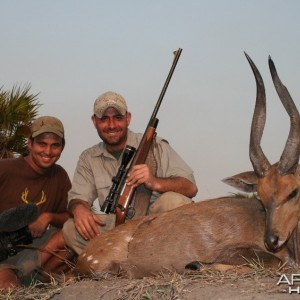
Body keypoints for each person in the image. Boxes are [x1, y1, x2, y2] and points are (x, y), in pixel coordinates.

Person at [63, 91, 198, 255]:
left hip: (155, 226)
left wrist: (155, 181)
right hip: (117, 229)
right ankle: (125, 264)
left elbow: (190, 188)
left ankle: (141, 260)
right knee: (70, 228)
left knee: (174, 202)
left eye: (118, 117)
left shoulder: (155, 146)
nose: (111, 125)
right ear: (94, 121)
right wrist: (79, 209)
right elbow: (78, 198)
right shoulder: (88, 158)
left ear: (128, 118)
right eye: (104, 118)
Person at [0, 116, 71, 291]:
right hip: (4, 255)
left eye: (55, 145)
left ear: (62, 147)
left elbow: (70, 215)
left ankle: (31, 280)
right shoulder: (5, 169)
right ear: (30, 143)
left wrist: (48, 217)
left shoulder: (60, 176)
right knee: (7, 287)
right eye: (42, 144)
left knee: (72, 236)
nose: (48, 151)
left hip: (37, 250)